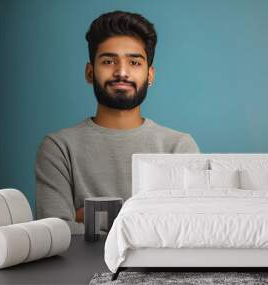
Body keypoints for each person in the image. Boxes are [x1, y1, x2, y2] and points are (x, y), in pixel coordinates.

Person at [35, 11, 200, 234]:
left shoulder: (178, 148)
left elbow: (190, 230)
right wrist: (150, 219)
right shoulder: (58, 148)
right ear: (90, 72)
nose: (122, 72)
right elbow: (55, 233)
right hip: (80, 270)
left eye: (134, 62)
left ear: (150, 75)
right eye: (109, 61)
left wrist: (91, 217)